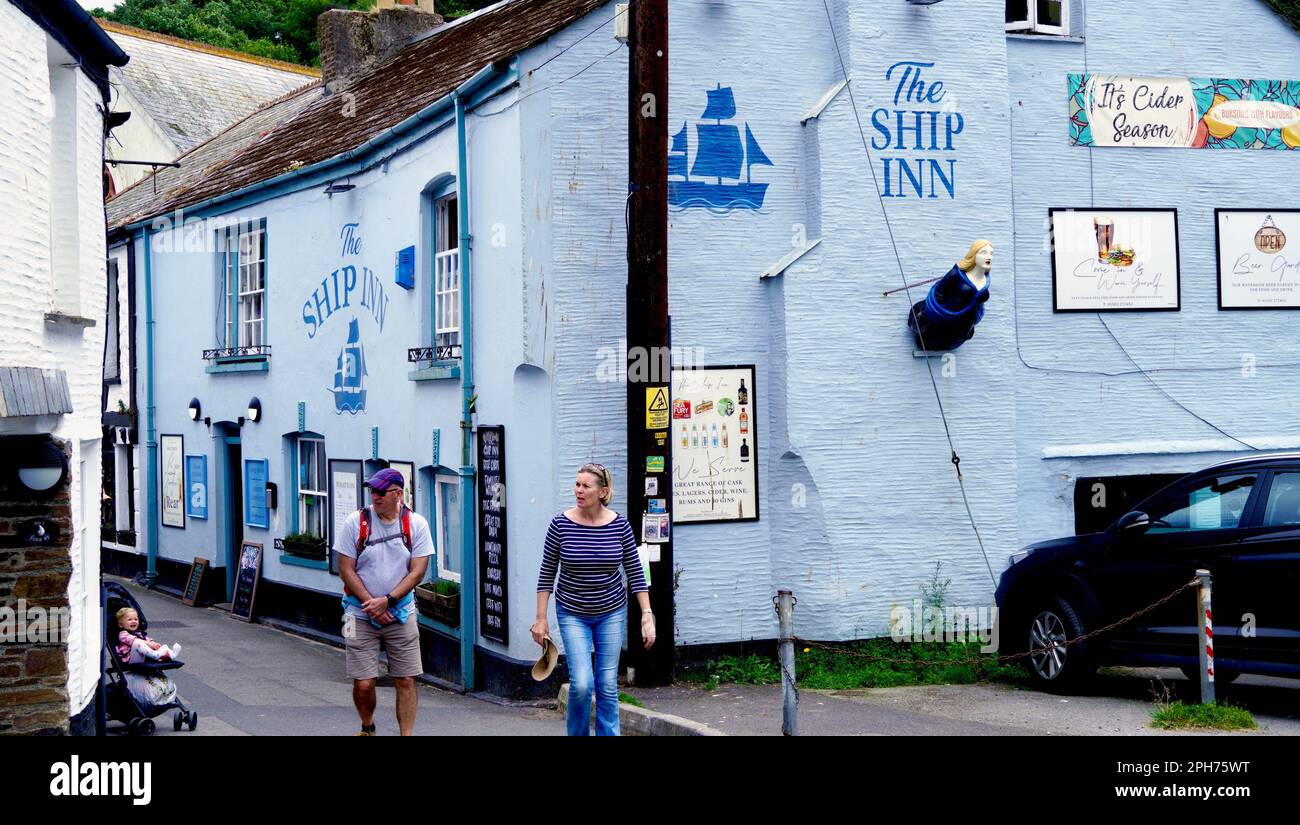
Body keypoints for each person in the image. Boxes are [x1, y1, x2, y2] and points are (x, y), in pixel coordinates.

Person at [533, 463, 654, 736]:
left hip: (611, 611)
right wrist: (540, 619)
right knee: (582, 684)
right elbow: (546, 574)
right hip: (573, 612)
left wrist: (647, 614)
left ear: (603, 491)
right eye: (577, 484)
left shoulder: (620, 525)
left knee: (607, 685)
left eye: (585, 486)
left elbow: (636, 571)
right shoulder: (560, 525)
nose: (578, 490)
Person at [335, 468, 434, 736]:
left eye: (381, 491)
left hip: (401, 612)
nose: (375, 497)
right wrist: (372, 604)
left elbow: (418, 571)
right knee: (364, 682)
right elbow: (345, 568)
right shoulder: (355, 523)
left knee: (406, 679)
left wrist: (388, 601)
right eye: (372, 491)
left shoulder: (417, 525)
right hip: (357, 612)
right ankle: (368, 727)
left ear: (398, 494)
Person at [907, 239, 993, 351]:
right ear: (974, 254)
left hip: (966, 318)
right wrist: (940, 310)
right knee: (932, 330)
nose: (989, 256)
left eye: (991, 253)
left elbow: (978, 303)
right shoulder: (957, 274)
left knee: (958, 335)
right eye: (984, 252)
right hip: (947, 312)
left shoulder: (985, 281)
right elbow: (939, 291)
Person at [115, 607, 181, 662]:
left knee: (162, 646)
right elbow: (133, 640)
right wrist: (148, 643)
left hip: (144, 657)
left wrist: (153, 643)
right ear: (121, 624)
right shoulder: (122, 634)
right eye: (129, 619)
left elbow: (147, 639)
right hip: (130, 659)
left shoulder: (138, 633)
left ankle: (172, 654)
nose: (134, 621)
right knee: (137, 643)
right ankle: (157, 655)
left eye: (136, 619)